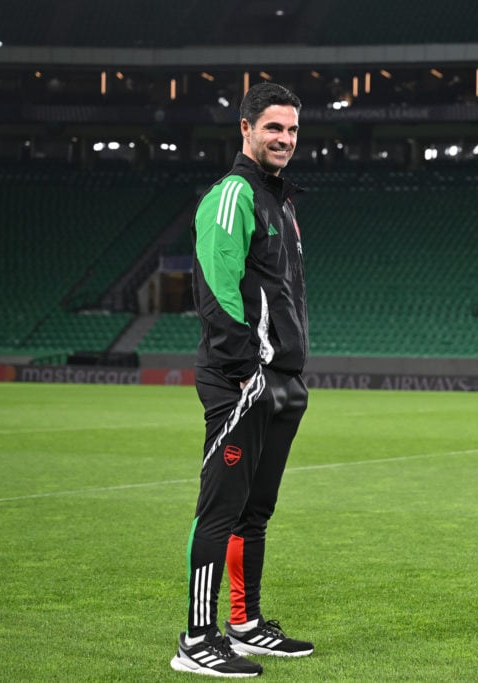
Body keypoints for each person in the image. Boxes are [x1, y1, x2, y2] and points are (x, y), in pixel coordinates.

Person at [170, 82, 315, 677]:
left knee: (256, 512)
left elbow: (282, 296)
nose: (284, 139)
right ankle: (196, 640)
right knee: (220, 512)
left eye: (293, 130)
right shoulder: (233, 195)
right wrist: (246, 369)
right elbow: (216, 291)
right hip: (242, 380)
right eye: (274, 127)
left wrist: (286, 367)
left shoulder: (281, 202)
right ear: (247, 129)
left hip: (283, 378)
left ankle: (245, 623)